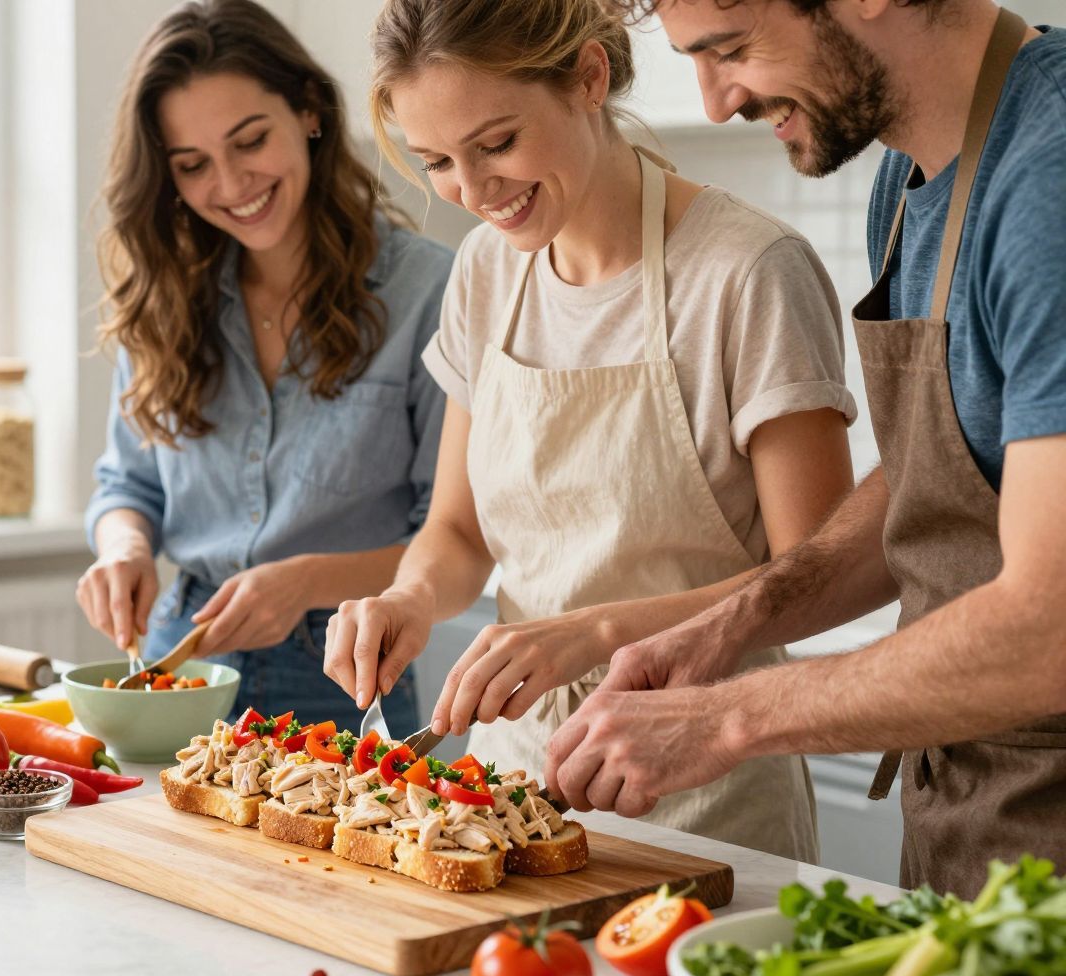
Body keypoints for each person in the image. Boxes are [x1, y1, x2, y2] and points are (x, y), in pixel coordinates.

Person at [545, 0, 1066, 897]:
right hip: (974, 831)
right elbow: (935, 482)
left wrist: (731, 718)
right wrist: (734, 626)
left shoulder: (1048, 184)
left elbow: (1049, 628)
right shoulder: (909, 178)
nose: (714, 102)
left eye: (731, 50)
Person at [323, 0, 857, 860]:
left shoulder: (746, 272)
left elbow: (821, 577)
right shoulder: (485, 272)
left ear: (588, 77)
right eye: (437, 163)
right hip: (506, 787)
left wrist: (599, 633)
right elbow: (456, 535)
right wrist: (410, 598)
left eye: (496, 143)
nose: (474, 191)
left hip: (703, 781)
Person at [79, 0, 453, 733]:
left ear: (309, 110)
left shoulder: (427, 291)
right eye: (192, 166)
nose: (231, 184)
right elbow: (127, 484)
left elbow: (451, 534)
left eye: (250, 141)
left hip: (343, 674)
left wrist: (308, 582)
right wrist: (124, 547)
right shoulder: (164, 298)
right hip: (179, 660)